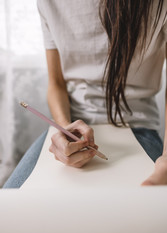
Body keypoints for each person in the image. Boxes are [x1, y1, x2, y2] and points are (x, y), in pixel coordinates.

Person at [3, 0, 167, 188]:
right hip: (72, 126)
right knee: (11, 205)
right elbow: (56, 83)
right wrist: (65, 129)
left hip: (138, 125)